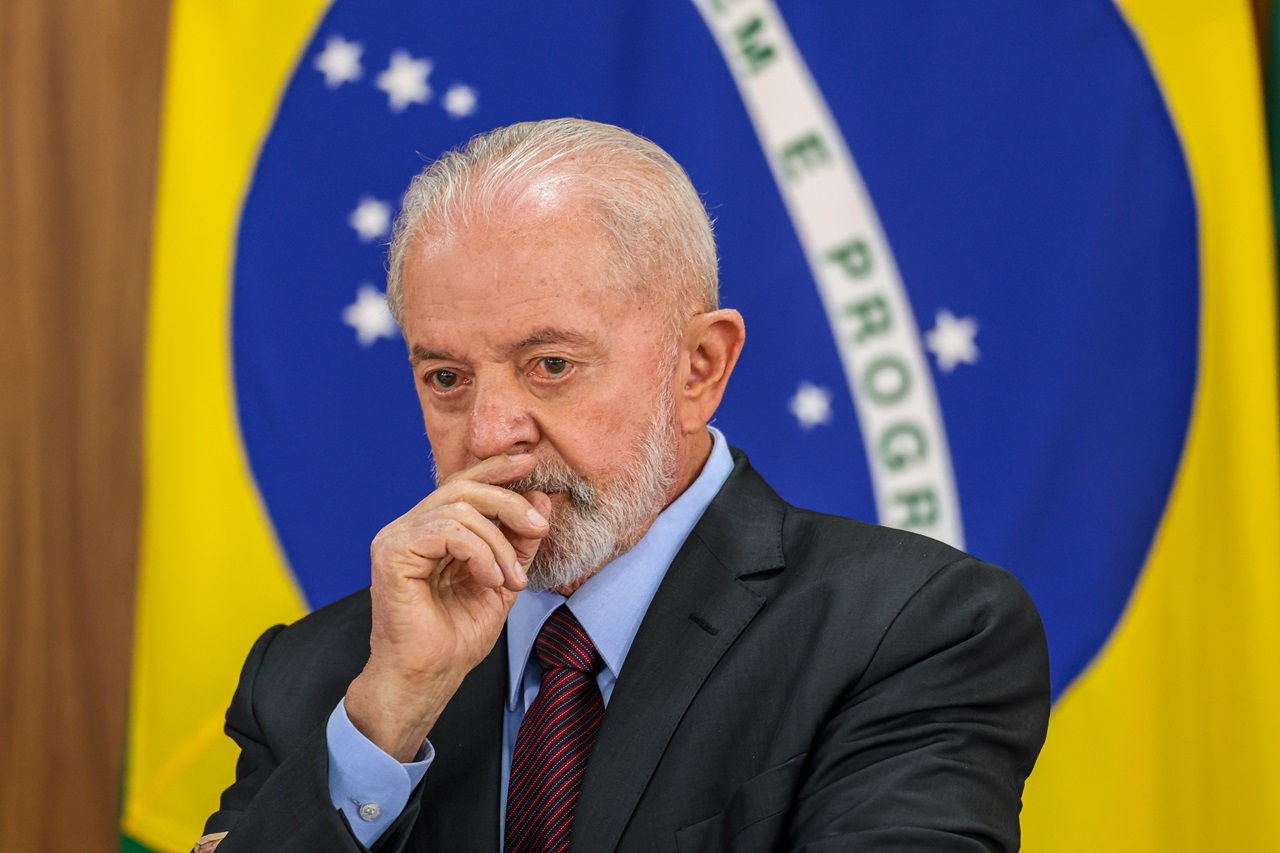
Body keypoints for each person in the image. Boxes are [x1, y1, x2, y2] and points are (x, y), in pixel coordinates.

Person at [195, 118, 1049, 853]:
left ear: (699, 366)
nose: (491, 432)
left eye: (551, 364)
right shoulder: (321, 681)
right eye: (447, 377)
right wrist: (385, 720)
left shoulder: (913, 633)